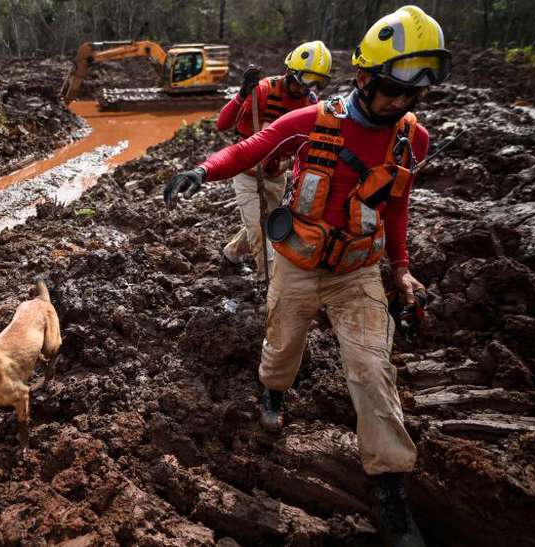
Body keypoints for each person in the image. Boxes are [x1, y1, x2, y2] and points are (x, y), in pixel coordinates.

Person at [164, 6, 451, 546]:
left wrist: (402, 271)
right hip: (297, 263)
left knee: (371, 370)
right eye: (392, 90)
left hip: (358, 270)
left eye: (412, 96)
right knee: (281, 351)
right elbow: (251, 146)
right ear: (364, 77)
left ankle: (390, 486)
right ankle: (273, 393)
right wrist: (202, 170)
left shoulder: (413, 139)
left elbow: (397, 208)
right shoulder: (314, 120)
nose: (401, 103)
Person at [217, 41, 332, 280]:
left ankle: (231, 254)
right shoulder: (263, 91)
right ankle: (266, 280)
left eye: (317, 82)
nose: (308, 89)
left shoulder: (309, 105)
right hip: (247, 173)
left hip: (277, 175)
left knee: (264, 223)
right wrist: (240, 95)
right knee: (260, 230)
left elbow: (308, 146)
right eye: (306, 80)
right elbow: (222, 124)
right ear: (291, 72)